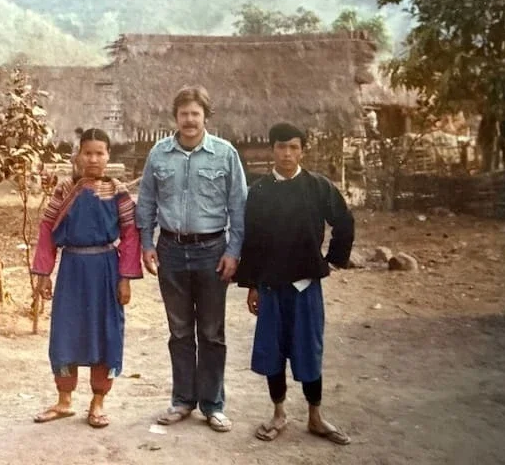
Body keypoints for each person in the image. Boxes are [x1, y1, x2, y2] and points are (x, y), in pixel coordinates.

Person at [136, 85, 247, 432]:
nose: (189, 120)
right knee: (180, 331)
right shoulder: (159, 154)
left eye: (195, 114)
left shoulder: (225, 154)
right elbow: (146, 202)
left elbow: (239, 207)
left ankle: (213, 404)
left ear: (205, 117)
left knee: (212, 332)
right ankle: (182, 400)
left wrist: (234, 250)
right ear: (176, 117)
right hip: (170, 249)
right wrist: (146, 242)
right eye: (183, 114)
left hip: (212, 251)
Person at [234, 122, 354, 444]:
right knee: (273, 350)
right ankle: (278, 413)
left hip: (305, 286)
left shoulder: (318, 187)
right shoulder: (258, 192)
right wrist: (252, 285)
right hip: (271, 287)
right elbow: (252, 242)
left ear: (302, 150)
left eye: (293, 147)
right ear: (271, 149)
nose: (287, 154)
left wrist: (331, 259)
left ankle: (316, 416)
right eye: (281, 147)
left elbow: (343, 220)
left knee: (309, 350)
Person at [31, 128, 143, 428]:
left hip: (105, 269)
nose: (94, 159)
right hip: (72, 270)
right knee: (66, 332)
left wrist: (125, 278)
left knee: (106, 333)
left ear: (108, 156)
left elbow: (131, 236)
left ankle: (97, 402)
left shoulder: (119, 192)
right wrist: (43, 273)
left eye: (100, 153)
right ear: (78, 155)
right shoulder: (65, 190)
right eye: (88, 153)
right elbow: (46, 231)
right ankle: (64, 401)